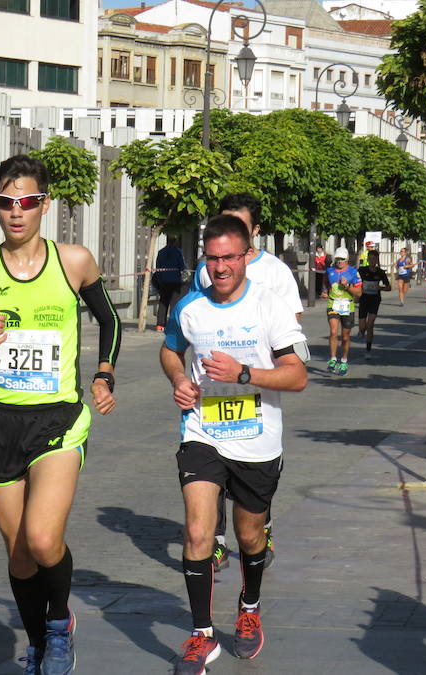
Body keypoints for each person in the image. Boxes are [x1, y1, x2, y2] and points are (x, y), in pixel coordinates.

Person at [0, 155, 121, 675]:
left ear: (44, 204)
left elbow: (109, 320)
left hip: (59, 420)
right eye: (4, 203)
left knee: (43, 539)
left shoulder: (74, 262)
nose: (15, 212)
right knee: (19, 554)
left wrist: (105, 374)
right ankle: (38, 641)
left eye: (25, 202)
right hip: (1, 423)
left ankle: (61, 626)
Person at [161, 214, 308, 674]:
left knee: (248, 535)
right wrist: (180, 377)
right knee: (199, 532)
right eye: (212, 258)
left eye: (229, 257)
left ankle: (249, 606)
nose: (220, 267)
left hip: (257, 441)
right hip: (202, 432)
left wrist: (244, 374)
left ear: (246, 256)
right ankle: (202, 635)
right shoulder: (190, 307)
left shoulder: (270, 307)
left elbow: (298, 376)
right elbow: (170, 348)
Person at [191, 193, 303, 573]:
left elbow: (292, 336)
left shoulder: (275, 274)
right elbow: (187, 325)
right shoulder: (207, 268)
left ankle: (259, 527)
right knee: (208, 481)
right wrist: (181, 375)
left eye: (238, 225)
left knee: (250, 506)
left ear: (254, 231)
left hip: (257, 403)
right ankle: (216, 542)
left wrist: (248, 367)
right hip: (207, 407)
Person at [325, 247, 363, 376]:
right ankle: (333, 359)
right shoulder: (329, 271)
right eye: (337, 259)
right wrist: (325, 292)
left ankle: (344, 360)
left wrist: (347, 287)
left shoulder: (353, 272)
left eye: (342, 259)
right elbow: (326, 284)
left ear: (347, 260)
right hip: (333, 304)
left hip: (347, 306)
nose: (339, 262)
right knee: (334, 331)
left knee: (345, 337)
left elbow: (359, 292)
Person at [357, 249, 392, 360]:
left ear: (377, 260)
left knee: (370, 323)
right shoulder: (362, 270)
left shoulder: (380, 272)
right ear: (368, 259)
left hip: (375, 300)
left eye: (374, 259)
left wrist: (380, 287)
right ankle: (362, 331)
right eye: (370, 259)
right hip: (363, 299)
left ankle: (368, 349)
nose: (372, 261)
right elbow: (354, 280)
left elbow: (389, 287)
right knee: (363, 326)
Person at [153, 237, 187, 331]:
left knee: (163, 302)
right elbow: (182, 266)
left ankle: (160, 324)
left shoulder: (161, 252)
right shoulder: (178, 252)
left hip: (163, 281)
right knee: (174, 303)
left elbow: (157, 267)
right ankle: (172, 324)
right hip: (175, 280)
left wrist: (160, 279)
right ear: (175, 242)